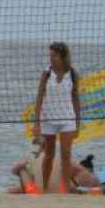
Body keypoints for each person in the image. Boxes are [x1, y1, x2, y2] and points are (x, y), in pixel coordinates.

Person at [31, 42, 81, 194]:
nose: (51, 58)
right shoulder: (46, 74)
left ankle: (65, 189)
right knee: (49, 155)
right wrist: (37, 123)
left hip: (67, 119)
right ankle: (44, 188)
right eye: (50, 55)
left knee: (66, 155)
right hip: (48, 119)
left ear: (62, 56)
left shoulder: (72, 73)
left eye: (54, 55)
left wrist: (78, 123)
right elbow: (39, 97)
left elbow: (76, 99)